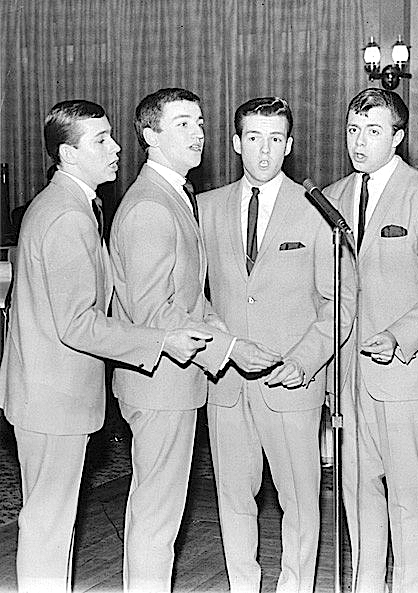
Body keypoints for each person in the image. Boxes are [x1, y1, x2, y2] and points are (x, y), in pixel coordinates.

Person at [0, 99, 213, 593]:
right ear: (67, 154)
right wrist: (161, 339)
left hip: (48, 392)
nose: (116, 148)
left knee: (51, 522)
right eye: (101, 140)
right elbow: (77, 324)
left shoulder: (69, 206)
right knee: (49, 524)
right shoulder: (66, 216)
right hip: (53, 396)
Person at [109, 88, 280, 593]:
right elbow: (155, 313)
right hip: (159, 384)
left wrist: (228, 335)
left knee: (161, 512)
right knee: (157, 516)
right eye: (182, 124)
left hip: (172, 382)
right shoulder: (149, 206)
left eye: (200, 122)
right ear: (149, 135)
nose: (198, 133)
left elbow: (189, 297)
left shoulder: (174, 195)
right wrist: (229, 350)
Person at [198, 96, 356, 593]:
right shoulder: (204, 208)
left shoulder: (317, 211)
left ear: (289, 146)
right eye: (253, 138)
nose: (264, 151)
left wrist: (305, 361)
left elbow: (340, 301)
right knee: (232, 498)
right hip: (226, 383)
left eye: (274, 139)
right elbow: (193, 294)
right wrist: (219, 345)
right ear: (235, 143)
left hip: (291, 383)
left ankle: (295, 586)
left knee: (300, 501)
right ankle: (242, 584)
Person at [323, 88, 418, 593]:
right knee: (357, 486)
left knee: (407, 489)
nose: (359, 142)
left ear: (398, 137)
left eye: (373, 131)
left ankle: (408, 585)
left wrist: (398, 335)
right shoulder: (330, 199)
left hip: (403, 372)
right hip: (347, 375)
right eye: (353, 130)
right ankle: (365, 582)